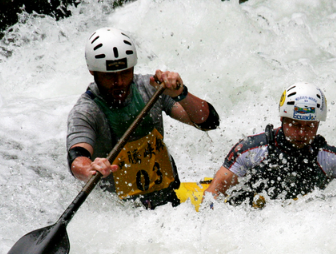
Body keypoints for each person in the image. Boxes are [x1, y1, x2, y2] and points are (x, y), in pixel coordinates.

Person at [66, 27, 220, 209]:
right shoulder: (86, 111)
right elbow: (77, 158)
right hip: (121, 213)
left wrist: (181, 94)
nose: (120, 82)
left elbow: (209, 122)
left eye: (124, 72)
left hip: (168, 202)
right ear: (93, 72)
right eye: (110, 76)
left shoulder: (152, 88)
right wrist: (90, 168)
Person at [203, 82, 336, 208]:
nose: (302, 133)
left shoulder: (328, 158)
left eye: (309, 126)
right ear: (282, 119)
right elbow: (213, 194)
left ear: (318, 124)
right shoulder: (250, 150)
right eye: (295, 124)